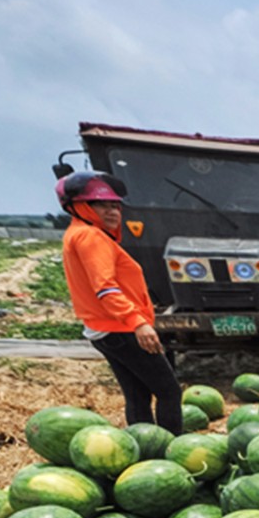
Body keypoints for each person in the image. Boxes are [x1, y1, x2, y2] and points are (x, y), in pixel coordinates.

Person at [57, 170, 183, 434]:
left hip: (105, 328)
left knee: (137, 394)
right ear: (79, 207)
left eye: (115, 205)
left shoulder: (78, 234)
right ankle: (171, 449)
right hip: (121, 328)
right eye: (101, 205)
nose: (112, 211)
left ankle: (143, 449)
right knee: (169, 391)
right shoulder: (91, 237)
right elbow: (105, 288)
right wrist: (137, 322)